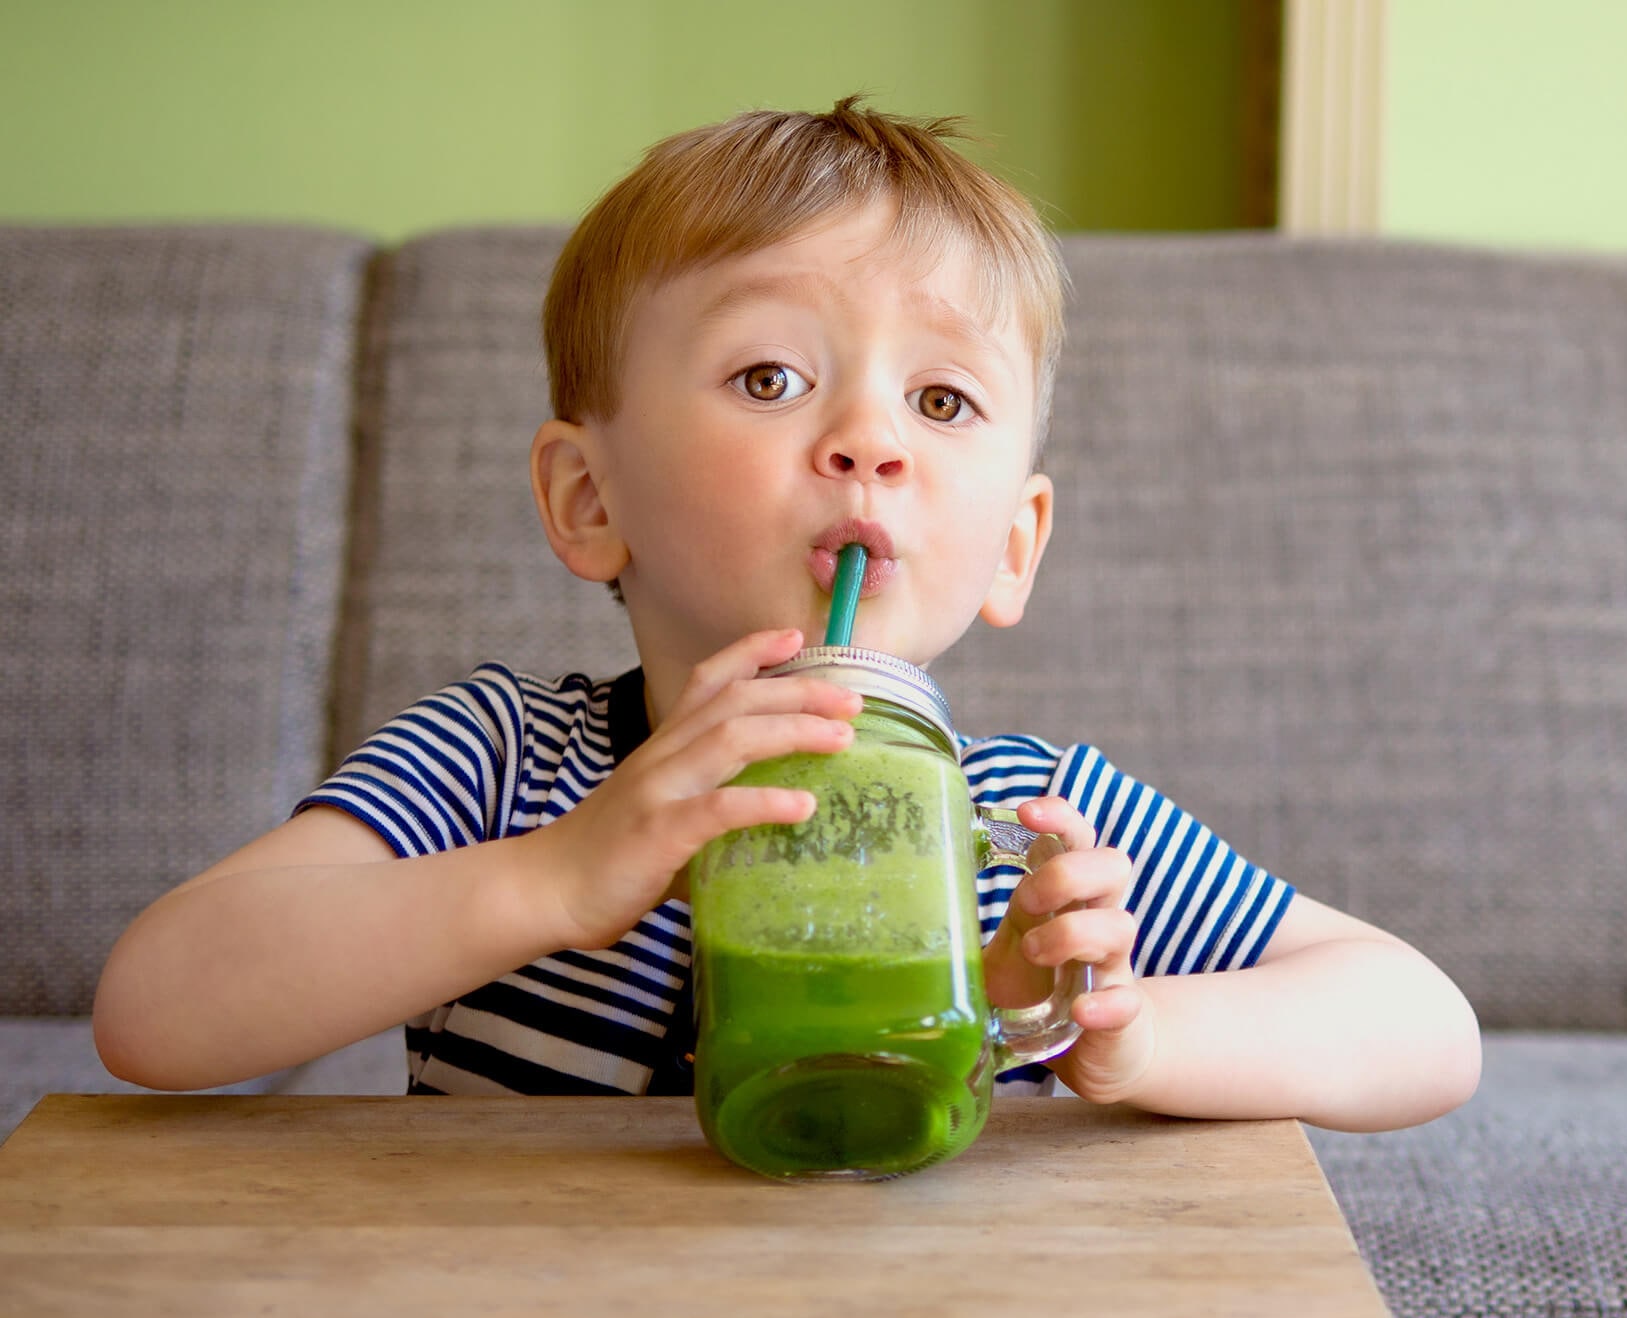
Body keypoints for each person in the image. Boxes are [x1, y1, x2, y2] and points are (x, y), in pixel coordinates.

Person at [92, 97, 1480, 1133]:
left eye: (940, 401)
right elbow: (154, 1008)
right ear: (588, 498)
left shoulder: (1024, 818)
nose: (869, 437)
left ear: (1013, 543)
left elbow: (1423, 1024)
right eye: (768, 376)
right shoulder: (506, 764)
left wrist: (1122, 1030)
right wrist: (551, 879)